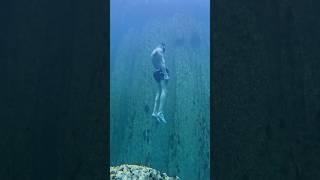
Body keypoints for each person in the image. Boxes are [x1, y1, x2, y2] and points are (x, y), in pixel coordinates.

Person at [150, 43, 169, 123]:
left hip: (155, 73)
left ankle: (154, 112)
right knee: (164, 90)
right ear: (162, 47)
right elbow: (162, 63)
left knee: (158, 92)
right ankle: (160, 112)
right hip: (161, 72)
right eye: (164, 50)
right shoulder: (159, 50)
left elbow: (156, 64)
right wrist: (166, 74)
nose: (164, 51)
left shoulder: (153, 53)